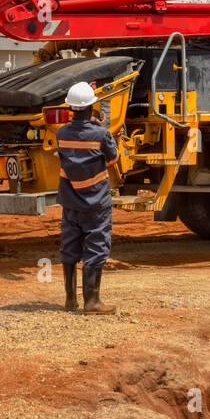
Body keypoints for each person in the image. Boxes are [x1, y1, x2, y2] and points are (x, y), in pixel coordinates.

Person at [55, 81, 118, 315]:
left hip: (70, 202)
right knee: (96, 246)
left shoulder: (61, 133)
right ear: (92, 107)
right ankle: (92, 302)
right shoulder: (100, 134)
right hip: (96, 203)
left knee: (70, 246)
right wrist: (103, 128)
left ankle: (70, 300)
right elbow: (112, 160)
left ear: (71, 108)